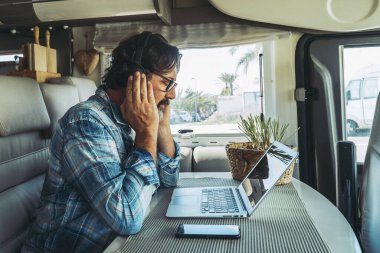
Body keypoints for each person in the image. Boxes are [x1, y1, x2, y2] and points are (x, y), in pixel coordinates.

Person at [22, 31, 182, 253]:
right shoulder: (86, 122)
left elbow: (169, 181)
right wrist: (146, 133)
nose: (172, 94)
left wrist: (161, 127)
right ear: (137, 77)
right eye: (167, 82)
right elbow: (127, 217)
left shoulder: (132, 118)